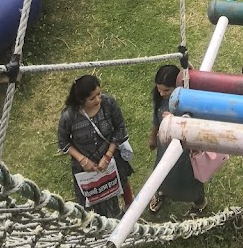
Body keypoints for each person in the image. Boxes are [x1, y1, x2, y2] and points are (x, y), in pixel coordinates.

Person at [57, 74, 133, 217]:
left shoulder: (108, 103)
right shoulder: (69, 116)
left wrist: (108, 155)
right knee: (96, 199)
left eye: (99, 94)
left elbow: (119, 128)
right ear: (81, 100)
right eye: (92, 98)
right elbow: (63, 142)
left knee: (121, 182)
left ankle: (130, 208)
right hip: (86, 168)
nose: (98, 100)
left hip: (110, 157)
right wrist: (83, 160)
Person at [148, 64, 207, 215]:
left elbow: (196, 126)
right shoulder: (160, 99)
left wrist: (175, 120)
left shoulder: (189, 102)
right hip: (164, 146)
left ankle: (199, 202)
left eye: (166, 90)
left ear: (178, 87)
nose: (161, 93)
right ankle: (161, 193)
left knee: (188, 178)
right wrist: (153, 138)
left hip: (184, 151)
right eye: (159, 89)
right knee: (162, 172)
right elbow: (156, 119)